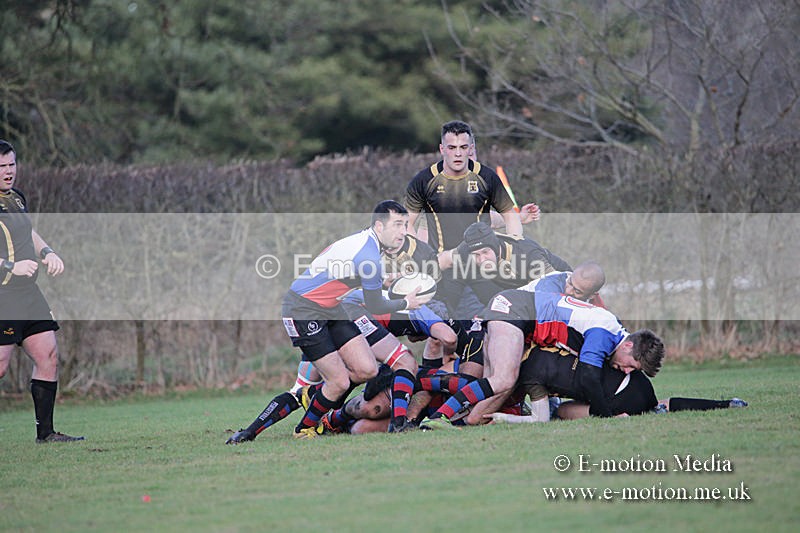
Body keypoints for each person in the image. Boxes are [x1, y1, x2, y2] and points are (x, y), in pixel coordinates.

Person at [281, 200, 424, 438]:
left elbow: (347, 275)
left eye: (406, 224)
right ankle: (305, 423)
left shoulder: (364, 242)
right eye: (398, 225)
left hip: (329, 309)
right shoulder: (369, 255)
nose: (403, 231)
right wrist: (407, 303)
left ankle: (314, 400)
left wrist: (384, 280)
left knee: (367, 370)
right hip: (308, 310)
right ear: (379, 226)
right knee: (341, 381)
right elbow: (376, 304)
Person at [420, 289, 665, 428]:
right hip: (516, 310)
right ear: (629, 345)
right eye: (631, 366)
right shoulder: (604, 333)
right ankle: (437, 417)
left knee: (479, 414)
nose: (625, 371)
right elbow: (589, 375)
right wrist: (605, 416)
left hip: (517, 315)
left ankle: (446, 425)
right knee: (504, 379)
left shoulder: (612, 331)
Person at [0, 140, 84, 443]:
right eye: (2, 167)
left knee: (48, 355)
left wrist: (47, 252)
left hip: (27, 293)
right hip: (3, 294)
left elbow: (29, 231)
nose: (9, 172)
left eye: (11, 165)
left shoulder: (16, 198)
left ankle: (45, 434)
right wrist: (10, 266)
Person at [405, 120, 523, 254]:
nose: (458, 154)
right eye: (452, 148)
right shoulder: (423, 180)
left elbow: (509, 215)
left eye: (463, 147)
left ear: (471, 149)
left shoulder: (487, 177)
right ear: (442, 149)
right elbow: (407, 222)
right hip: (440, 263)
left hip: (480, 261)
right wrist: (418, 255)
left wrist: (513, 249)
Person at [437, 221, 572, 308]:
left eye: (486, 252)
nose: (482, 259)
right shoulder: (467, 250)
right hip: (519, 287)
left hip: (561, 283)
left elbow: (553, 289)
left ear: (496, 248)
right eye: (476, 255)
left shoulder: (526, 255)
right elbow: (443, 260)